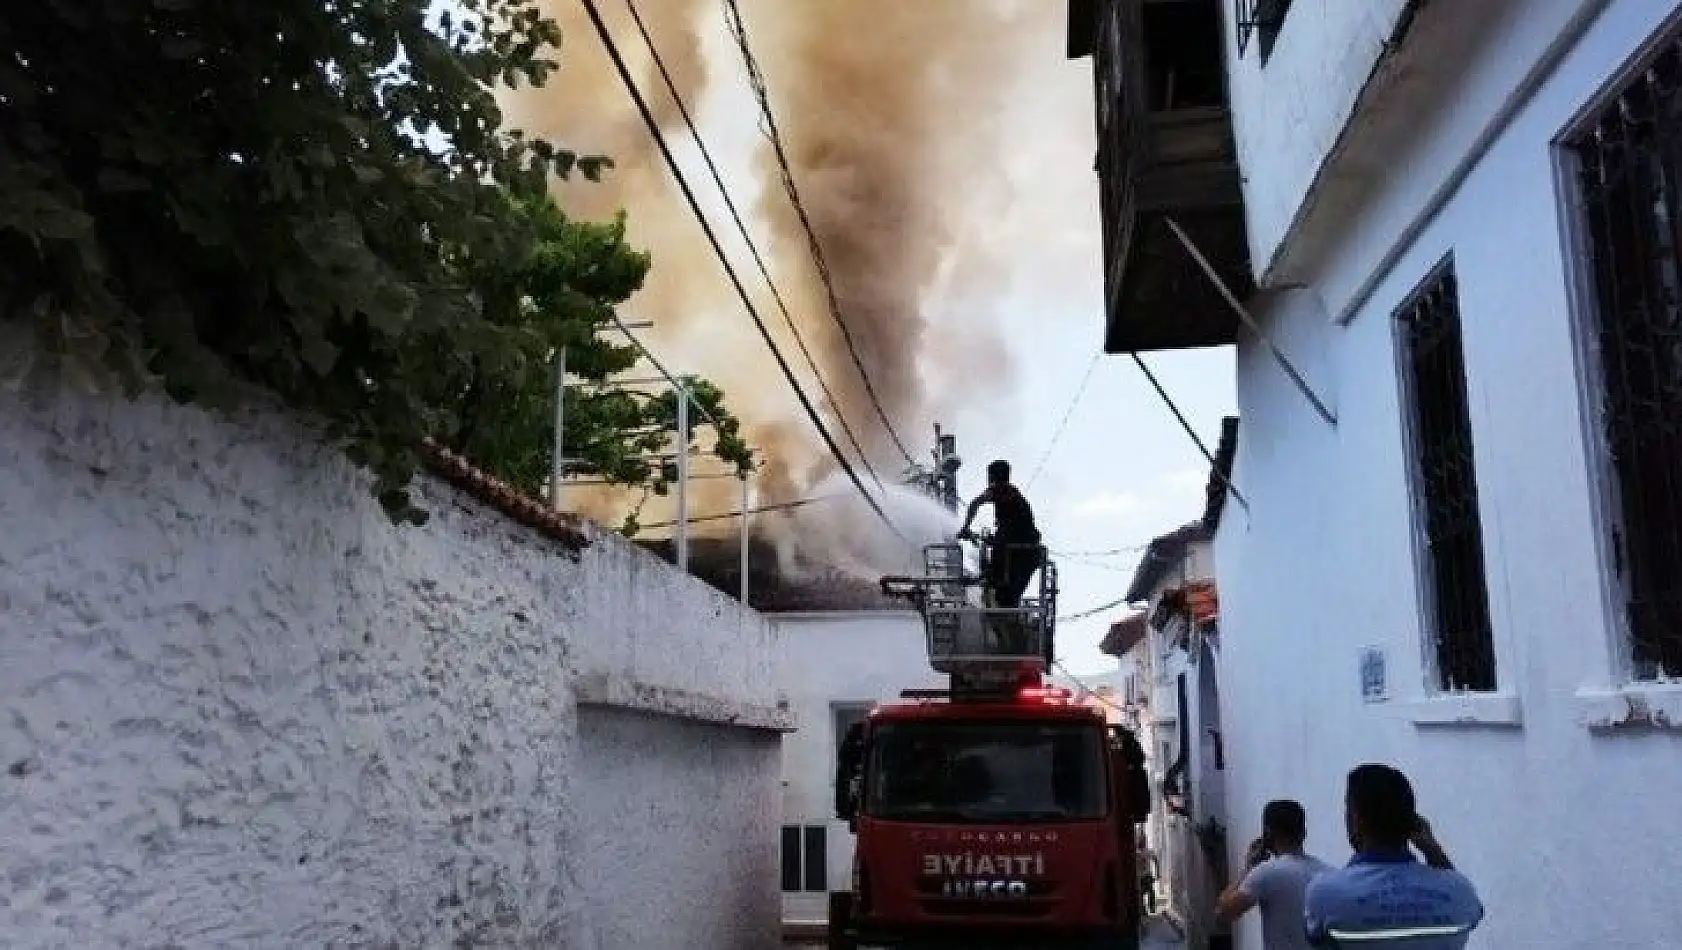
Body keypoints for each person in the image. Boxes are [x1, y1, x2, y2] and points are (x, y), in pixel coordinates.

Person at [1304, 764, 1483, 948]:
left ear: (1356, 819)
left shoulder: (1326, 892)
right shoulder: (1460, 891)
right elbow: (1474, 914)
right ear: (1414, 821)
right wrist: (1432, 849)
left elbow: (1314, 938)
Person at [1214, 800, 1330, 950]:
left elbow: (1222, 912)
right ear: (1304, 833)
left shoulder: (1266, 873)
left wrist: (1248, 868)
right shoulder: (1328, 873)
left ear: (1267, 835)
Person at [956, 460, 1043, 607]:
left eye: (989, 477)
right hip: (1029, 556)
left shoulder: (1002, 490)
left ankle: (990, 579)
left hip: (1017, 554)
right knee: (1006, 598)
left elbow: (975, 503)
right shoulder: (1014, 496)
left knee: (1003, 592)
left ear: (992, 477)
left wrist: (965, 527)